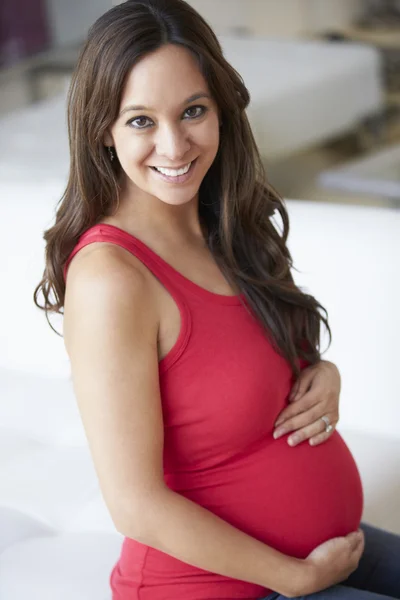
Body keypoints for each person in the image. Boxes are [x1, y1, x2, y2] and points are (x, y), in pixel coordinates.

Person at [33, 1, 400, 598]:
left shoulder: (224, 225)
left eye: (193, 111)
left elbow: (250, 371)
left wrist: (322, 375)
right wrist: (299, 577)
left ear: (221, 111)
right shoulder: (111, 279)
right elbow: (135, 506)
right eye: (141, 121)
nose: (175, 146)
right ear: (104, 127)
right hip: (217, 586)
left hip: (315, 555)